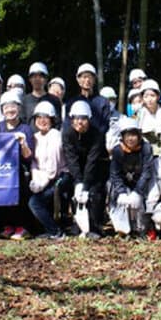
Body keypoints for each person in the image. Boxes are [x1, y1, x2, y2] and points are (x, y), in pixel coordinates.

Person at [62, 100, 109, 238]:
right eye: (76, 118)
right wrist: (78, 182)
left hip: (95, 169)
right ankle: (77, 225)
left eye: (83, 118)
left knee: (95, 194)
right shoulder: (67, 134)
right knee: (74, 193)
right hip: (76, 170)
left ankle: (94, 227)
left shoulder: (97, 134)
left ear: (89, 119)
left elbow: (92, 160)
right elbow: (71, 158)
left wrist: (86, 184)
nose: (79, 122)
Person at [27, 101, 71, 239]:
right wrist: (35, 178)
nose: (42, 121)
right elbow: (33, 161)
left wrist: (42, 183)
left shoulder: (56, 136)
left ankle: (56, 231)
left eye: (46, 117)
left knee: (35, 202)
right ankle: (47, 229)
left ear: (52, 119)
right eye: (38, 117)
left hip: (59, 176)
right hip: (42, 177)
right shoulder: (35, 138)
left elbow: (53, 166)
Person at [0, 91, 36, 240]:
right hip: (2, 170)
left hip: (20, 170)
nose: (10, 110)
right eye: (6, 107)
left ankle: (22, 227)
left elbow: (28, 156)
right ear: (2, 110)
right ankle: (7, 226)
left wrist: (23, 143)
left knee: (20, 191)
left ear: (19, 108)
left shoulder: (25, 129)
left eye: (13, 106)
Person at [108, 117, 155, 239]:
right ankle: (122, 229)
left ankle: (140, 229)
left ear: (139, 135)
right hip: (123, 184)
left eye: (133, 135)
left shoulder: (146, 148)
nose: (130, 139)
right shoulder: (117, 150)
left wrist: (138, 192)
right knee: (116, 196)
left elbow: (147, 171)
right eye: (127, 135)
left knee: (140, 203)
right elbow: (115, 174)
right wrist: (121, 192)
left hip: (140, 183)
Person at [66, 63, 112, 136]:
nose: (87, 80)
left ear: (94, 79)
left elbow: (105, 126)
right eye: (84, 77)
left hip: (98, 142)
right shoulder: (71, 102)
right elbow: (68, 125)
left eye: (90, 77)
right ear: (78, 79)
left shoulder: (103, 102)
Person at [22, 62, 63, 128]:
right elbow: (22, 124)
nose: (37, 79)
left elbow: (57, 123)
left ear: (46, 79)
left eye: (41, 76)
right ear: (30, 79)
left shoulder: (54, 100)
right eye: (34, 76)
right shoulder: (24, 100)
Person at [136, 79, 161, 156]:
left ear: (158, 96)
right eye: (146, 96)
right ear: (142, 98)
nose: (149, 99)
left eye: (152, 95)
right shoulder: (139, 114)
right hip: (144, 151)